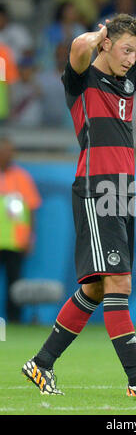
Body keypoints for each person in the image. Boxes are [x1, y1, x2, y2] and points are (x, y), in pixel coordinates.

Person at [22, 13, 136, 396]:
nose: (132, 59)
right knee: (119, 282)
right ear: (106, 44)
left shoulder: (129, 77)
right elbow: (79, 48)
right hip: (97, 187)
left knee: (97, 289)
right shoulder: (81, 79)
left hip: (122, 190)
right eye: (125, 50)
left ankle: (40, 363)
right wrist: (101, 33)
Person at [0, 136, 41, 322]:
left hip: (16, 241)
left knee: (14, 285)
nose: (5, 154)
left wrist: (30, 237)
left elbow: (32, 209)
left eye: (8, 151)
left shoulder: (22, 177)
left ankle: (14, 320)